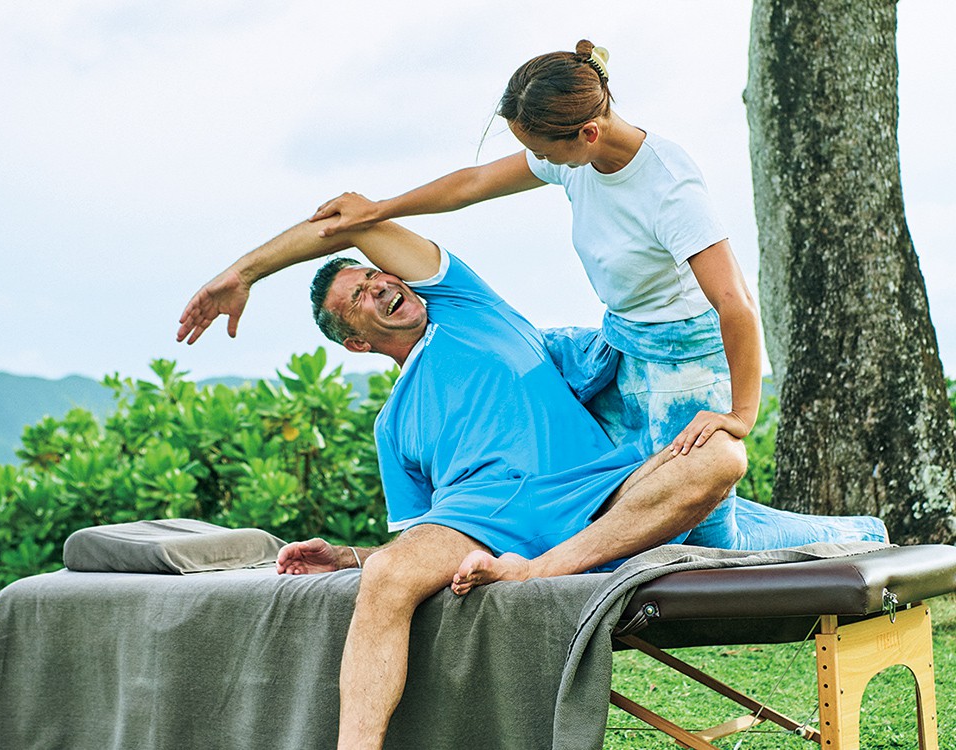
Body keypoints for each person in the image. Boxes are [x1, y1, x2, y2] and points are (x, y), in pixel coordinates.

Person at [177, 214, 747, 750]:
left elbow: (358, 220)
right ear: (356, 342)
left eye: (377, 277)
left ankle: (538, 570)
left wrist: (243, 272)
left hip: (595, 494)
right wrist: (353, 556)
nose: (379, 287)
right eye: (360, 296)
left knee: (720, 457)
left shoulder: (467, 308)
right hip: (479, 523)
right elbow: (415, 544)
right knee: (389, 573)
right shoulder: (391, 425)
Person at [306, 39, 765, 548]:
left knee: (695, 540)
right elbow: (473, 183)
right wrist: (378, 209)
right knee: (615, 505)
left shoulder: (668, 186)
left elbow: (734, 302)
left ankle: (847, 543)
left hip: (684, 365)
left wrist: (741, 414)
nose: (537, 161)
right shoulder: (575, 158)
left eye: (543, 152)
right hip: (624, 347)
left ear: (588, 134)